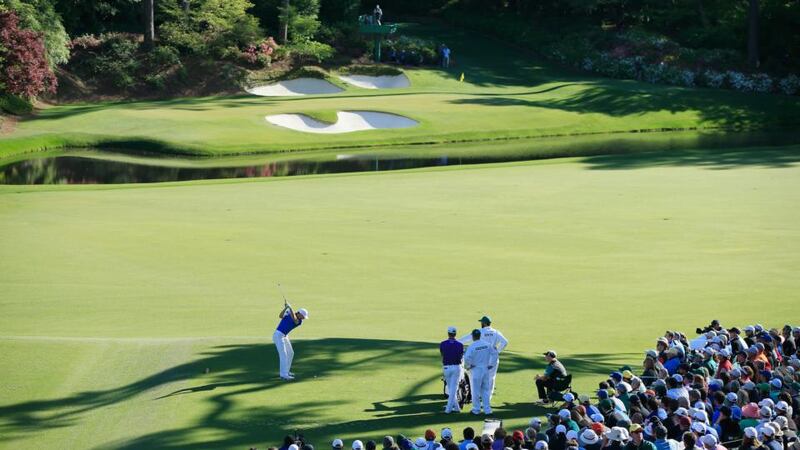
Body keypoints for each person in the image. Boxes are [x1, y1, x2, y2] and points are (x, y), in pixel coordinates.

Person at [460, 316, 508, 403]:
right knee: (491, 378)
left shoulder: (479, 331)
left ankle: (476, 398)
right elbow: (505, 342)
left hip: (480, 358)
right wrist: (497, 351)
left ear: (484, 323)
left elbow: (466, 339)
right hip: (492, 359)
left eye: (481, 322)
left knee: (476, 378)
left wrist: (456, 342)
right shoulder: (496, 332)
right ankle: (488, 398)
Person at [464, 328, 496, 415]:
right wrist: (491, 364)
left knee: (475, 390)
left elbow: (466, 358)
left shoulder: (472, 346)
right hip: (485, 369)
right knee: (485, 390)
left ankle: (476, 409)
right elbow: (495, 353)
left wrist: (468, 366)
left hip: (476, 370)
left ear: (473, 337)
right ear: (480, 336)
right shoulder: (487, 344)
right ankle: (487, 410)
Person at [273, 304, 309, 380]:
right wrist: (286, 308)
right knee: (284, 354)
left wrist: (290, 308)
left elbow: (294, 319)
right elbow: (280, 316)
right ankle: (283, 375)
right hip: (278, 335)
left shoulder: (299, 321)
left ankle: (286, 371)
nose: (303, 318)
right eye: (303, 316)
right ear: (299, 313)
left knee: (290, 353)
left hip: (285, 336)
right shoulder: (289, 313)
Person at [441, 326, 465, 413]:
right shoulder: (460, 344)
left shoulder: (443, 343)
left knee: (451, 388)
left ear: (448, 334)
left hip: (447, 368)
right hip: (456, 368)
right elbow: (461, 356)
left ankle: (448, 409)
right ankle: (456, 408)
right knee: (453, 389)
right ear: (455, 334)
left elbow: (442, 354)